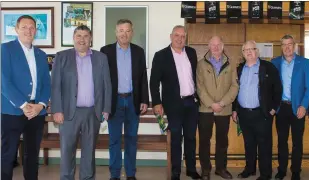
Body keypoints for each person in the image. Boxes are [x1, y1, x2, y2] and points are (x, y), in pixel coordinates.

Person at [51, 25, 112, 180]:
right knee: (67, 151)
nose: (82, 39)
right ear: (73, 38)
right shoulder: (61, 56)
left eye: (85, 36)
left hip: (93, 112)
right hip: (68, 113)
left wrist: (106, 108)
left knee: (89, 151)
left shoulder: (101, 58)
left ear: (90, 39)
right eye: (79, 35)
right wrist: (57, 109)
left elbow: (107, 85)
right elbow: (55, 85)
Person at [1, 15, 51, 180]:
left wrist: (41, 105)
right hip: (12, 111)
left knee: (32, 155)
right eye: (24, 27)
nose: (28, 30)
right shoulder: (5, 49)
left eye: (32, 27)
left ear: (35, 31)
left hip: (36, 112)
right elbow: (4, 81)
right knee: (7, 155)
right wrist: (23, 105)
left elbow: (46, 83)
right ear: (16, 29)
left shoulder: (41, 54)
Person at [150, 25, 201, 180]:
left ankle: (191, 169)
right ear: (170, 36)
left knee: (191, 137)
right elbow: (154, 82)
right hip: (173, 105)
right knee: (176, 138)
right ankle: (176, 171)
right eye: (177, 35)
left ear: (186, 38)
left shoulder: (191, 53)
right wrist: (157, 103)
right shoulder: (161, 56)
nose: (180, 39)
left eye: (183, 36)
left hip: (191, 102)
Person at [100, 19, 149, 180]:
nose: (124, 34)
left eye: (127, 30)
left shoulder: (138, 51)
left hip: (132, 101)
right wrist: (103, 103)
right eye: (121, 30)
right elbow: (101, 80)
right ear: (116, 32)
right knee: (114, 140)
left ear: (132, 32)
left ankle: (130, 174)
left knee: (131, 140)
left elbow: (143, 78)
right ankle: (114, 174)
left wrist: (144, 100)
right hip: (114, 102)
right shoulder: (105, 51)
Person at [232, 40, 282, 180]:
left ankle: (266, 174)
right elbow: (235, 91)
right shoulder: (239, 68)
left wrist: (273, 109)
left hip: (262, 113)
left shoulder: (268, 67)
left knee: (264, 145)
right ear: (242, 53)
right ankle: (250, 169)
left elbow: (277, 89)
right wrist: (235, 110)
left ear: (257, 51)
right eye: (245, 50)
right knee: (249, 144)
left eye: (252, 49)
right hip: (244, 113)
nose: (249, 52)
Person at [271, 34, 309, 180]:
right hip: (281, 108)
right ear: (281, 47)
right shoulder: (274, 62)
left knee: (297, 141)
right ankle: (281, 170)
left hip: (298, 108)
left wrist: (304, 106)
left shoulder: (305, 62)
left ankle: (296, 171)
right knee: (281, 141)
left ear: (294, 45)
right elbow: (271, 87)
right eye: (284, 45)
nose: (287, 47)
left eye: (290, 44)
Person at [196, 36, 239, 180]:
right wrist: (211, 104)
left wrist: (222, 103)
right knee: (204, 141)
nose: (215, 47)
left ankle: (221, 168)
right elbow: (199, 87)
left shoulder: (231, 64)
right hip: (205, 109)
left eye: (218, 44)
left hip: (224, 109)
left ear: (222, 46)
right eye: (212, 45)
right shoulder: (201, 64)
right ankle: (206, 169)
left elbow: (234, 86)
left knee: (222, 141)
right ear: (209, 46)